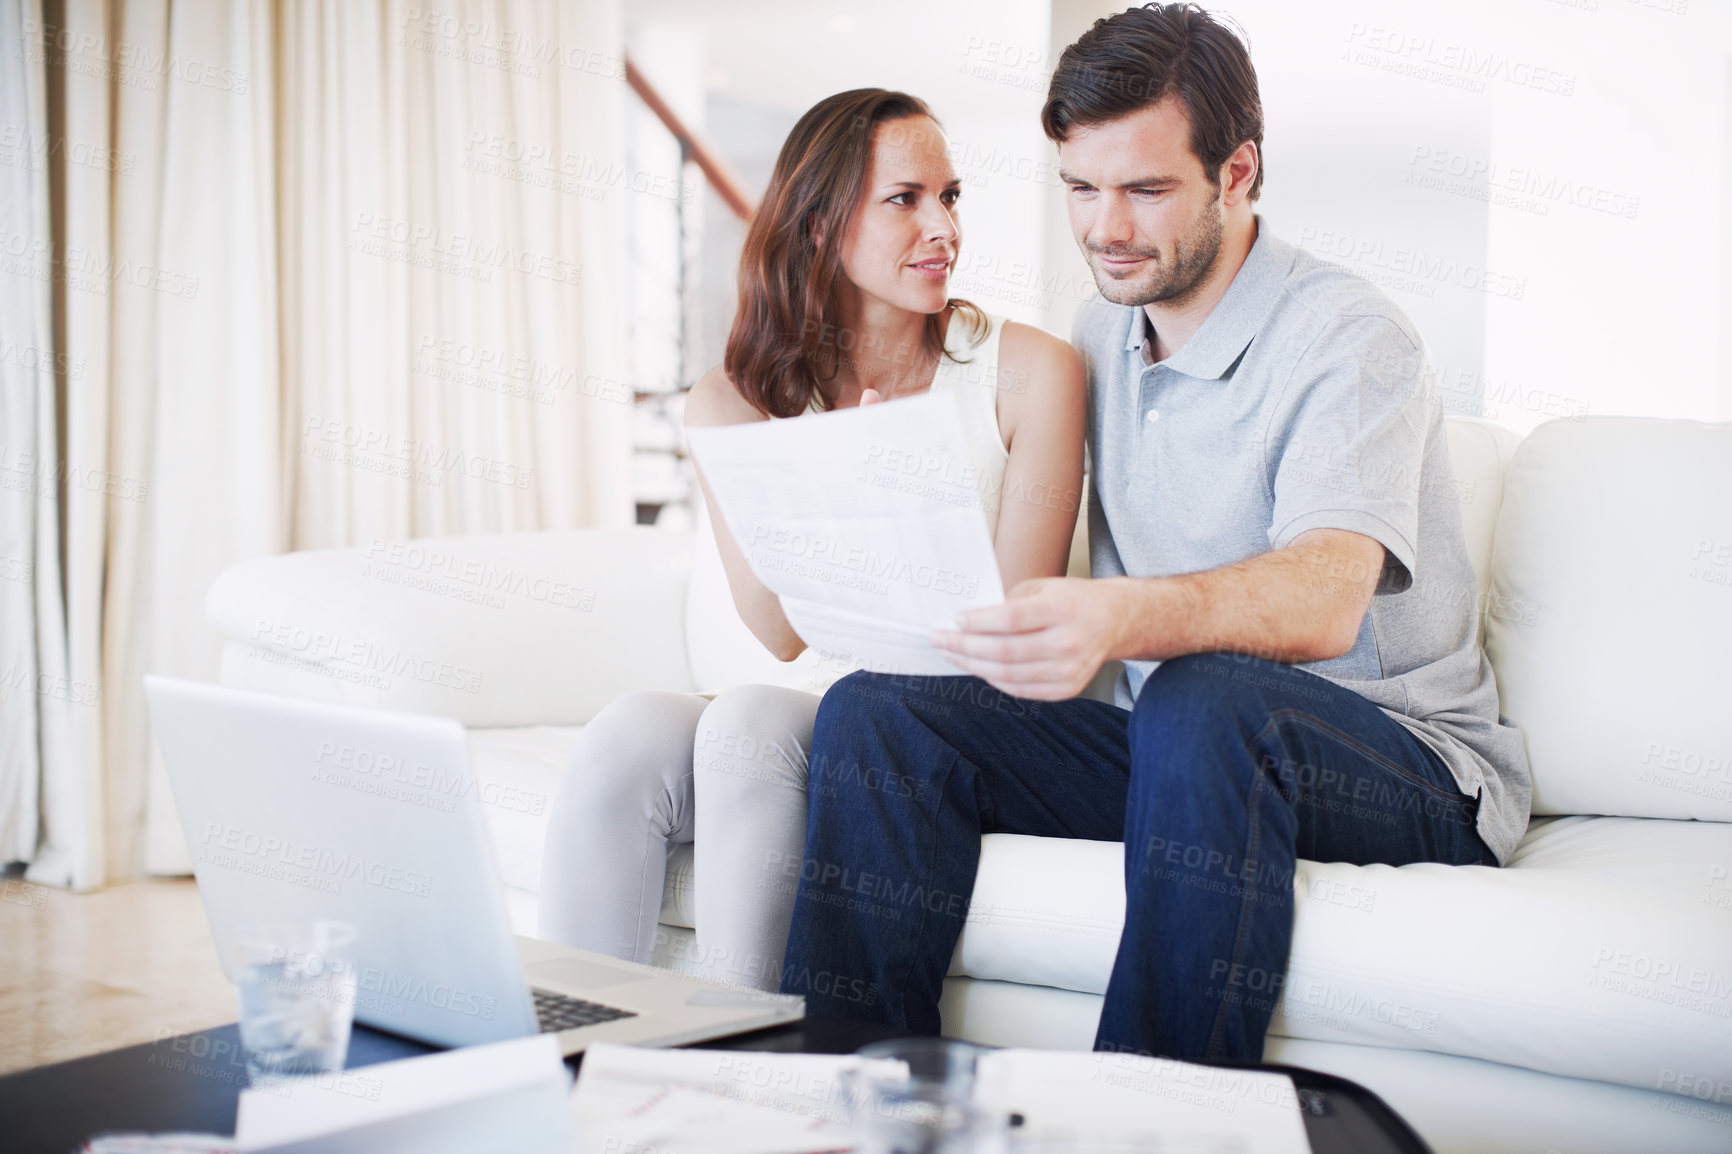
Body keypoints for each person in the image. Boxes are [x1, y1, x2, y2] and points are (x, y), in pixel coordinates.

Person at [779, 3, 1532, 1062]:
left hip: (1403, 764)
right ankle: (846, 1099)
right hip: (1178, 747)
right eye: (1080, 189)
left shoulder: (1347, 338)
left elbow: (1324, 596)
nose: (1105, 228)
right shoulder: (1101, 331)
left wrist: (1122, 612)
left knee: (1196, 690)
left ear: (1235, 173)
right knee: (881, 714)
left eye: (1144, 189)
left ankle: (1146, 1121)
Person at [537, 89, 1086, 990]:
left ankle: (742, 1068)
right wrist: (841, 486)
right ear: (824, 224)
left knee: (748, 724)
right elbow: (779, 631)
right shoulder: (730, 398)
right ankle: (564, 1071)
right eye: (905, 199)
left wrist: (891, 503)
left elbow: (1013, 637)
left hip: (943, 716)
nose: (942, 225)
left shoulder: (1029, 372)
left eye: (951, 197)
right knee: (628, 732)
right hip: (803, 693)